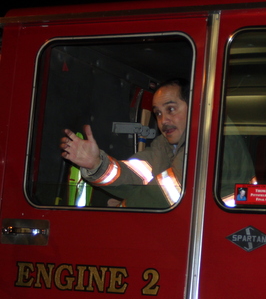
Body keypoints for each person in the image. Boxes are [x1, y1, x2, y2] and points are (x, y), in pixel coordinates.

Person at [60, 79, 188, 208]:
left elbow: (163, 195)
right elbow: (133, 175)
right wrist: (96, 164)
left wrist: (123, 207)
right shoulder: (163, 146)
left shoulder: (197, 151)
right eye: (158, 113)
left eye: (171, 109)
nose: (163, 120)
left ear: (195, 108)